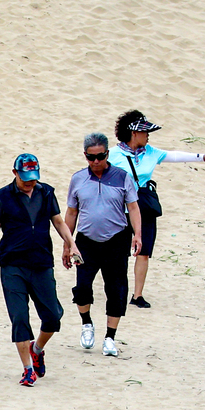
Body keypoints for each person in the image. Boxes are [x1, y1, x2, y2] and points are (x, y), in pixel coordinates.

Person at [0, 153, 80, 387]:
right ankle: (27, 369)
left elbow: (58, 221)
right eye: (25, 178)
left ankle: (37, 349)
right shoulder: (3, 197)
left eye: (33, 178)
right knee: (19, 317)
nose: (30, 183)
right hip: (12, 264)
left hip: (41, 262)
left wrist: (71, 244)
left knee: (53, 316)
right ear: (15, 173)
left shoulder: (46, 193)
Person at [108, 110, 205, 308]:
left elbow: (174, 156)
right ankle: (117, 291)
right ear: (134, 133)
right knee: (119, 253)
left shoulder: (151, 152)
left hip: (144, 206)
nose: (148, 135)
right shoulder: (113, 154)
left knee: (144, 251)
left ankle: (137, 295)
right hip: (119, 209)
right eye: (145, 132)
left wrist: (202, 157)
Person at [64, 132, 142, 360]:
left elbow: (133, 207)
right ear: (85, 156)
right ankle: (86, 323)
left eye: (100, 156)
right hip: (86, 241)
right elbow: (71, 212)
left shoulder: (122, 177)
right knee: (82, 286)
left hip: (117, 239)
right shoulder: (78, 179)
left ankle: (110, 337)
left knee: (116, 289)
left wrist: (137, 234)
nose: (96, 161)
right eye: (91, 157)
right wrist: (68, 244)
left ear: (107, 154)